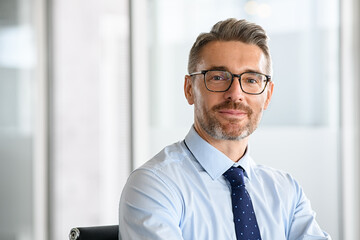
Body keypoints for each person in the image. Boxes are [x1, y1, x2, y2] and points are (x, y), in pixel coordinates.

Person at [119, 18, 331, 240]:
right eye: (219, 77)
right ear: (189, 89)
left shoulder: (286, 191)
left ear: (267, 95)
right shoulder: (155, 186)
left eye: (251, 79)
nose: (236, 94)